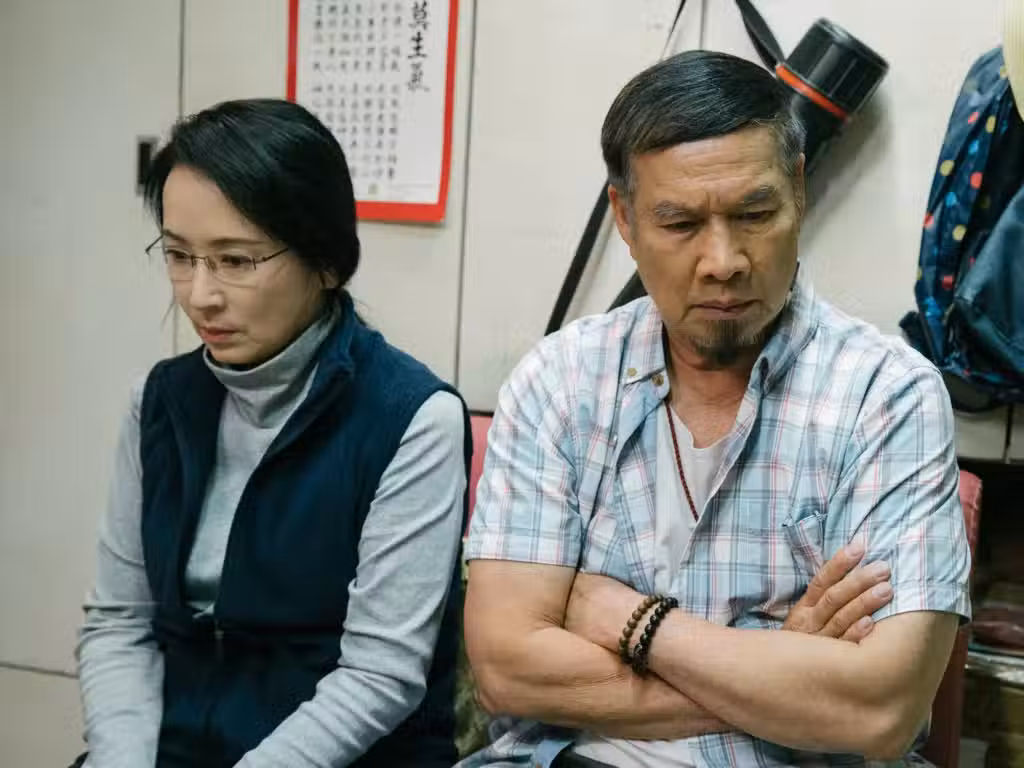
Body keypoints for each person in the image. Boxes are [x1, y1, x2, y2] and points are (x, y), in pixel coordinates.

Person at [459, 51, 971, 768]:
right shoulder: (559, 382)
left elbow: (880, 710)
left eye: (754, 214)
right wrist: (783, 664)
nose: (723, 260)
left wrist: (633, 622)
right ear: (625, 218)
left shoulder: (886, 395)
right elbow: (507, 671)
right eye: (679, 223)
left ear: (798, 190)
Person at [75, 99, 469, 768]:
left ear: (327, 262)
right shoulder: (160, 403)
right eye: (179, 255)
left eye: (235, 260)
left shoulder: (411, 419)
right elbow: (120, 620)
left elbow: (379, 675)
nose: (200, 294)